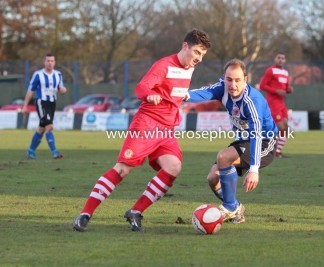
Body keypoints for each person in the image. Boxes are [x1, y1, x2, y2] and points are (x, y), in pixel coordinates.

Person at [73, 29, 211, 232]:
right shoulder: (163, 65)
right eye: (197, 52)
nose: (199, 58)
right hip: (147, 124)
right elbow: (141, 88)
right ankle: (85, 214)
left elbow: (174, 91)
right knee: (122, 169)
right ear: (185, 46)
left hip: (166, 130)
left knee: (173, 167)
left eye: (202, 55)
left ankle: (135, 212)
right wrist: (149, 95)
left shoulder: (189, 68)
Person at [185, 59, 278, 223]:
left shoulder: (252, 101)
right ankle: (236, 208)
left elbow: (256, 134)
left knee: (223, 157)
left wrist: (254, 170)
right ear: (224, 78)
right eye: (229, 79)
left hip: (264, 142)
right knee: (213, 178)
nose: (233, 84)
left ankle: (229, 207)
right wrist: (183, 95)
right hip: (243, 141)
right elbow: (204, 93)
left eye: (237, 80)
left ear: (245, 79)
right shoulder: (223, 89)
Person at [23, 53, 67, 159]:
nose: (50, 63)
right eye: (48, 61)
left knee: (41, 128)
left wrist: (63, 90)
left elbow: (62, 88)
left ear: (54, 62)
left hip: (52, 103)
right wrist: (25, 106)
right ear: (44, 62)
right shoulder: (38, 75)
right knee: (49, 127)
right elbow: (30, 90)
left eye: (52, 61)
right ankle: (55, 152)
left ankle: (30, 151)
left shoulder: (58, 74)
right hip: (41, 102)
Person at [259, 52, 293, 158]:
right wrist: (276, 91)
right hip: (273, 102)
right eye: (278, 58)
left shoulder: (286, 73)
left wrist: (289, 90)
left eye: (283, 58)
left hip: (282, 103)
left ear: (285, 60)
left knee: (286, 128)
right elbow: (262, 85)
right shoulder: (271, 70)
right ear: (275, 59)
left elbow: (286, 88)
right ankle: (266, 149)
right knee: (280, 127)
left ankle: (277, 152)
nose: (280, 60)